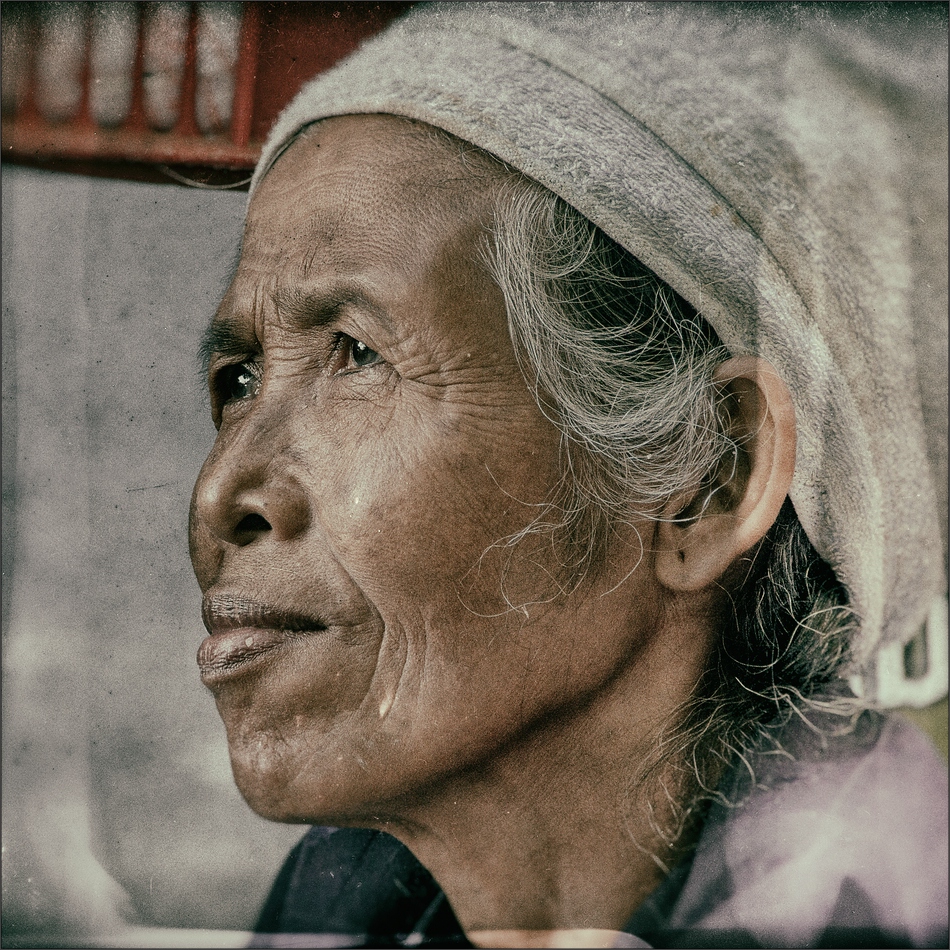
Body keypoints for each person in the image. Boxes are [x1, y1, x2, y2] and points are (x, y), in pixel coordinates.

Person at [188, 4, 948, 947]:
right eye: (239, 380)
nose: (220, 492)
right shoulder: (350, 902)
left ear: (712, 482)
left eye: (356, 354)